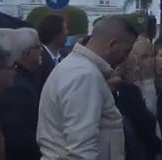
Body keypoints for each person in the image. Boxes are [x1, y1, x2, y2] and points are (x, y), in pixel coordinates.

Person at [36, 14, 137, 159]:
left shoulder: (79, 69)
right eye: (126, 51)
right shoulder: (84, 75)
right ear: (112, 44)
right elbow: (82, 149)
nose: (126, 58)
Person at [0, 27, 45, 160]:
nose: (41, 50)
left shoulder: (27, 78)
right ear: (26, 52)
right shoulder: (17, 86)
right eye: (38, 47)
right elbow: (17, 134)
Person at [36, 13, 67, 85]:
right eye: (65, 29)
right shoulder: (39, 60)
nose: (67, 33)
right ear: (55, 33)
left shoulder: (65, 56)